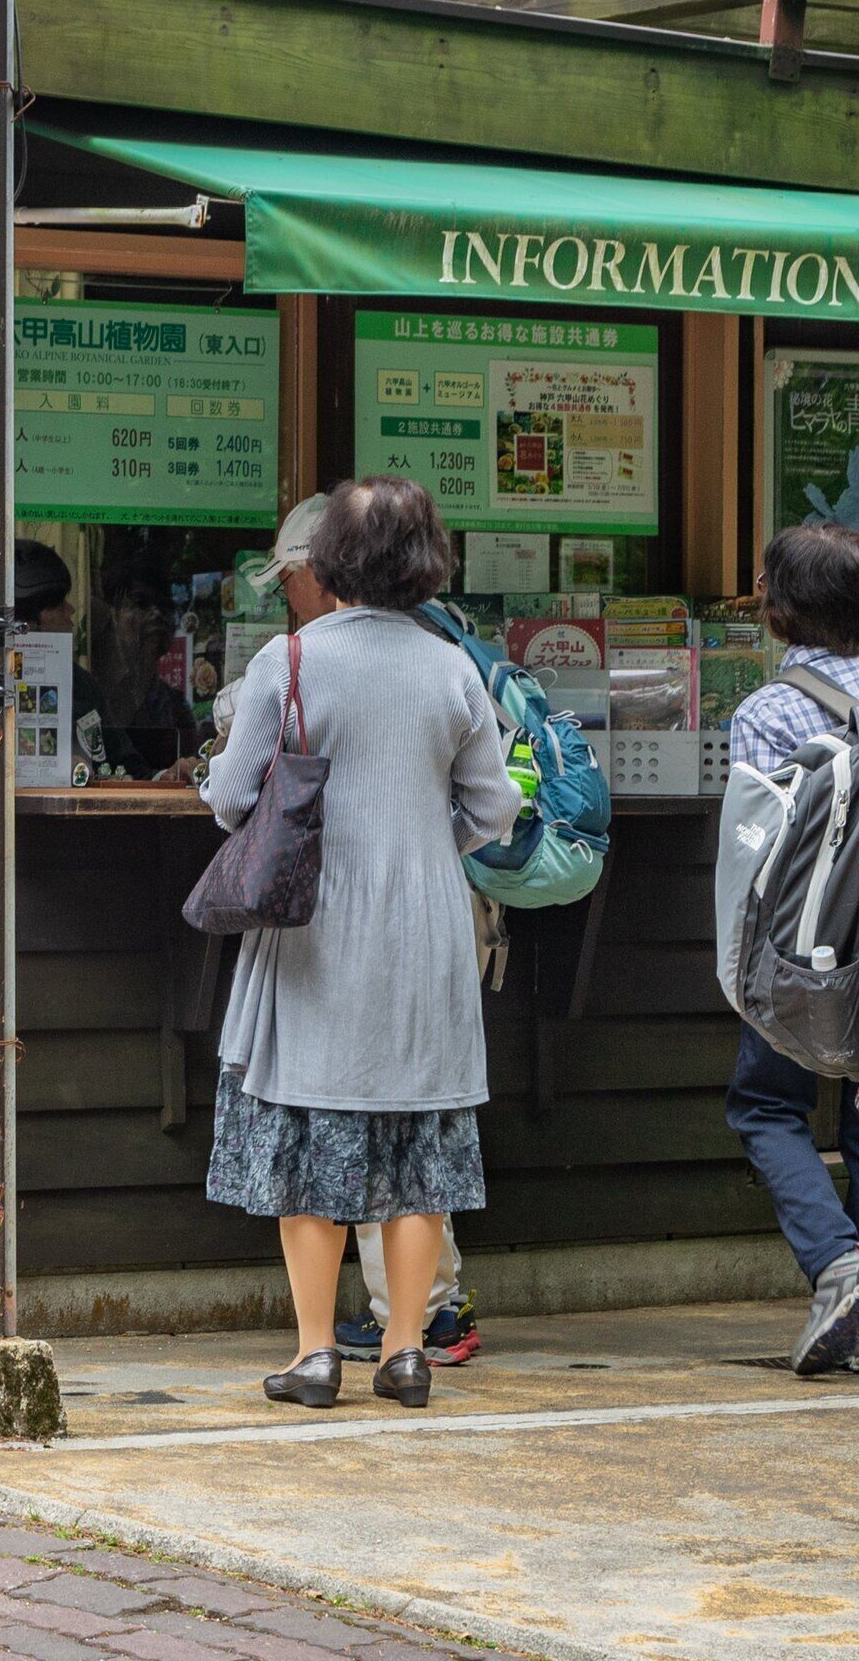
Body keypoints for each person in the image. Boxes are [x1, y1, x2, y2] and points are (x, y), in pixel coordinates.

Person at [203, 478, 521, 1411]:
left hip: (317, 926)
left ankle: (314, 1354)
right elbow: (494, 807)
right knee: (419, 1140)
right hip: (426, 925)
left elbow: (232, 797)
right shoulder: (451, 668)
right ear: (428, 561)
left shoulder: (292, 659)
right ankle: (406, 1350)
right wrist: (426, 842)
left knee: (309, 1130)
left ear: (331, 557)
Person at [720, 523, 859, 1377]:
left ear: (778, 607)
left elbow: (757, 856)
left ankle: (837, 1264)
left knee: (766, 1104)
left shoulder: (765, 712)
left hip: (802, 951)